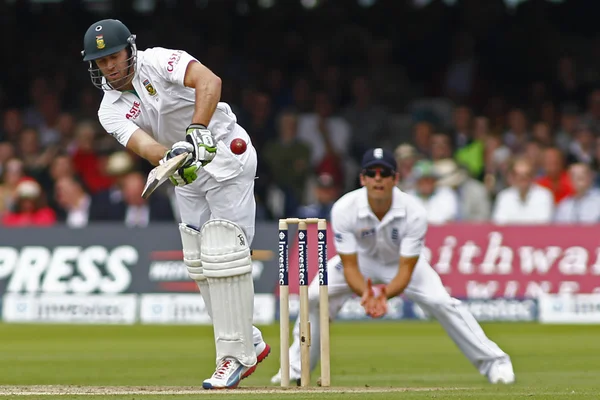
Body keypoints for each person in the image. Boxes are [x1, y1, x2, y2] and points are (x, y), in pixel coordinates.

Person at [81, 19, 270, 389]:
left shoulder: (160, 60)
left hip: (226, 155)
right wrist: (170, 158)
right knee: (198, 262)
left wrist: (197, 130)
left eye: (114, 56)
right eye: (101, 62)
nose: (109, 67)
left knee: (224, 253)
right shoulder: (109, 108)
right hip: (186, 171)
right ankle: (250, 338)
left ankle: (235, 356)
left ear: (130, 49)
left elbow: (209, 82)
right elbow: (145, 146)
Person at [271, 148, 515, 385]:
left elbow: (406, 271)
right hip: (360, 260)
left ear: (396, 179)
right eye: (372, 173)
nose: (378, 178)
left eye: (385, 173)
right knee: (314, 296)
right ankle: (296, 368)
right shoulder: (345, 207)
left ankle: (496, 363)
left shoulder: (414, 211)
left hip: (399, 262)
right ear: (362, 178)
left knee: (441, 302)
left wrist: (384, 294)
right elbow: (350, 266)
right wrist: (366, 293)